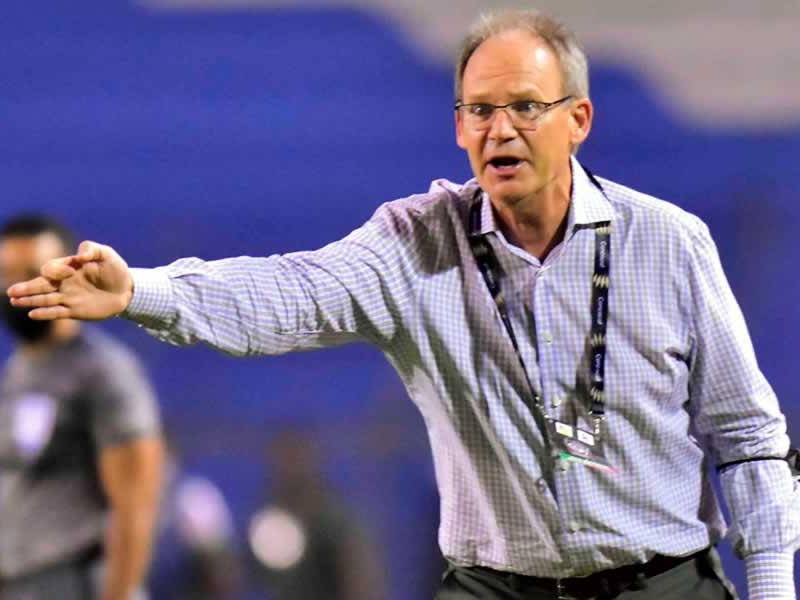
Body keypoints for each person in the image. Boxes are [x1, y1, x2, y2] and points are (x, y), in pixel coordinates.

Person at [7, 9, 799, 600]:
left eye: (525, 106)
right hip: (498, 587)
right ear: (458, 129)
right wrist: (143, 289)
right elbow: (290, 291)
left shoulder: (668, 242)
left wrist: (770, 586)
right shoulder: (415, 242)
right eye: (479, 111)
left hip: (660, 586)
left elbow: (749, 435)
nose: (501, 130)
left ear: (578, 120)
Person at [0, 215, 164, 600]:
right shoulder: (17, 372)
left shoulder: (104, 373)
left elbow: (136, 506)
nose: (17, 286)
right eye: (6, 273)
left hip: (75, 582)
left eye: (31, 272)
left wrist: (120, 595)